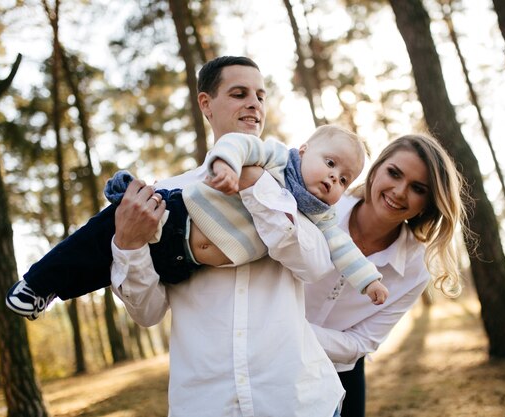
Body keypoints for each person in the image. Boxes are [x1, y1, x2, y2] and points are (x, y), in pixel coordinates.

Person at [108, 56, 346, 416]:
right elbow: (148, 312)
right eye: (239, 93)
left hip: (297, 399)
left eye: (261, 96)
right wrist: (128, 244)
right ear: (206, 103)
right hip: (206, 402)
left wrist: (257, 188)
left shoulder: (297, 190)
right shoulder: (167, 196)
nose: (254, 103)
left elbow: (314, 266)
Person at [5, 125, 388, 321]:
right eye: (331, 164)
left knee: (107, 266)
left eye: (343, 180)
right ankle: (40, 284)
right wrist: (226, 165)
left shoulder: (317, 217)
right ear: (304, 151)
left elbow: (342, 249)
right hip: (175, 215)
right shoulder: (276, 158)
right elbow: (240, 144)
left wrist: (368, 279)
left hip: (181, 263)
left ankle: (50, 290)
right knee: (98, 241)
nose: (332, 180)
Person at [305, 133, 469, 417]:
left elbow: (362, 343)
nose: (400, 191)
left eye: (418, 188)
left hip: (339, 374)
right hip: (263, 348)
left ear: (428, 204)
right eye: (394, 173)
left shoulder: (416, 270)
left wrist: (289, 329)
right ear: (376, 169)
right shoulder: (316, 206)